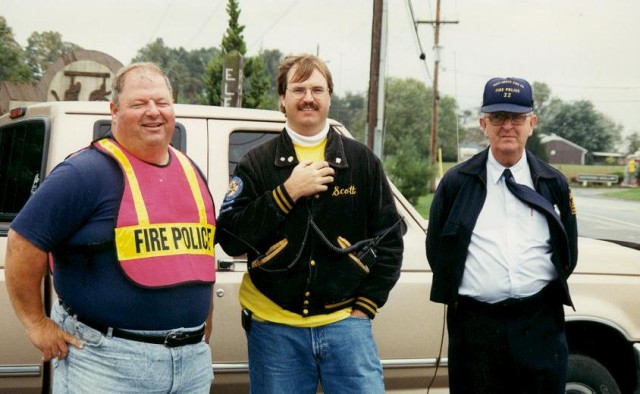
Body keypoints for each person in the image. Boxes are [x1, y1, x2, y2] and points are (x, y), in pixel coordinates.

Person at [5, 62, 216, 393]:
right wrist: (36, 323)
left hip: (191, 365)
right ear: (114, 110)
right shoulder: (84, 172)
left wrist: (200, 321)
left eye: (162, 102)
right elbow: (22, 241)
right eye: (139, 103)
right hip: (106, 365)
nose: (153, 112)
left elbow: (197, 256)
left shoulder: (191, 171)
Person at [216, 54, 404, 394]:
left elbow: (390, 239)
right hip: (274, 328)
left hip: (347, 325)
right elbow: (230, 238)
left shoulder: (360, 161)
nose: (308, 98)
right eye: (298, 89)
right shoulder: (256, 163)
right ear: (282, 99)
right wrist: (286, 193)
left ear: (329, 97)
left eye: (317, 89)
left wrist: (364, 308)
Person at [426, 77, 578, 393]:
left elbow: (568, 252)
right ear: (483, 123)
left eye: (517, 117)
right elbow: (437, 250)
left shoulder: (554, 183)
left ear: (532, 123)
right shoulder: (456, 183)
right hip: (475, 331)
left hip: (539, 326)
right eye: (498, 117)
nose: (507, 126)